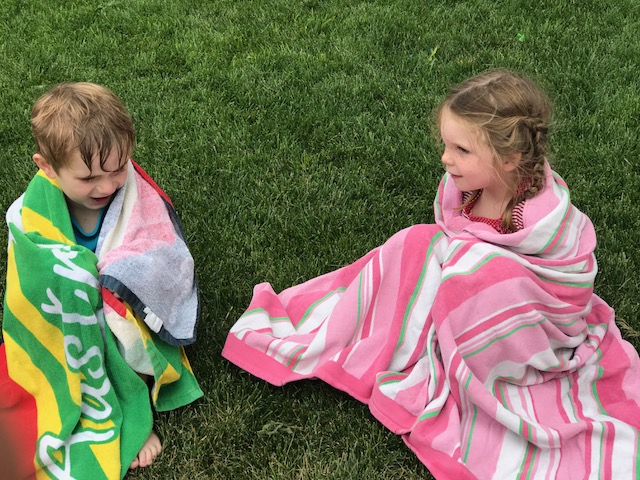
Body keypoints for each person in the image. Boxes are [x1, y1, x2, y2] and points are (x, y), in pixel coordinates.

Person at [222, 70, 640, 479]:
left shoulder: (540, 216)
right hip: (469, 282)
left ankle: (463, 347)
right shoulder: (468, 189)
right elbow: (448, 236)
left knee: (477, 270)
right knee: (414, 242)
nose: (446, 158)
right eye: (446, 144)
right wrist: (455, 260)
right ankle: (383, 330)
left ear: (509, 159)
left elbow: (562, 282)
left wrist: (471, 270)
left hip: (527, 318)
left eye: (461, 150)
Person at [0, 83, 203, 478]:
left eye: (118, 168)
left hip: (122, 317)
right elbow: (32, 277)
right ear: (47, 167)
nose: (108, 186)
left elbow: (161, 255)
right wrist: (76, 277)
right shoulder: (27, 215)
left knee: (125, 315)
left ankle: (132, 400)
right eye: (90, 177)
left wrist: (119, 276)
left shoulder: (136, 201)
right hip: (69, 321)